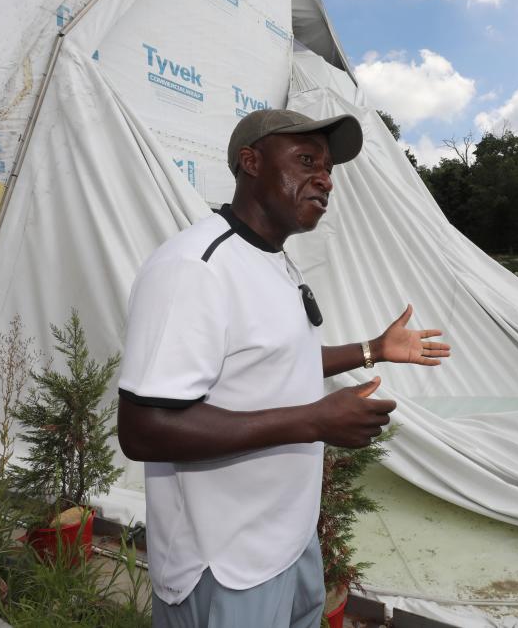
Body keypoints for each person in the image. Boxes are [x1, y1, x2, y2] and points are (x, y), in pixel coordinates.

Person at [117, 108, 450, 628]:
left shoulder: (275, 260)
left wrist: (374, 348)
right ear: (251, 162)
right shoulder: (194, 268)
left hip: (288, 541)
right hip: (225, 563)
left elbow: (276, 361)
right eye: (306, 160)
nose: (324, 178)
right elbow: (143, 429)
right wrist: (313, 422)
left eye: (329, 168)